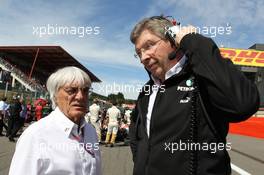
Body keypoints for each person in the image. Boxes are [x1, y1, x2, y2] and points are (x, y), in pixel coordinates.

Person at [129, 15, 260, 175]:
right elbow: (136, 131)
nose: (143, 57)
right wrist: (141, 163)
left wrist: (192, 41)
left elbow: (242, 104)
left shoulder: (203, 77)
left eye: (149, 46)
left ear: (173, 39)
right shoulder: (146, 91)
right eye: (138, 53)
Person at [9, 66, 101, 175]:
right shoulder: (35, 136)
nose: (80, 97)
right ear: (55, 95)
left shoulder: (91, 131)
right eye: (71, 90)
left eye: (85, 90)